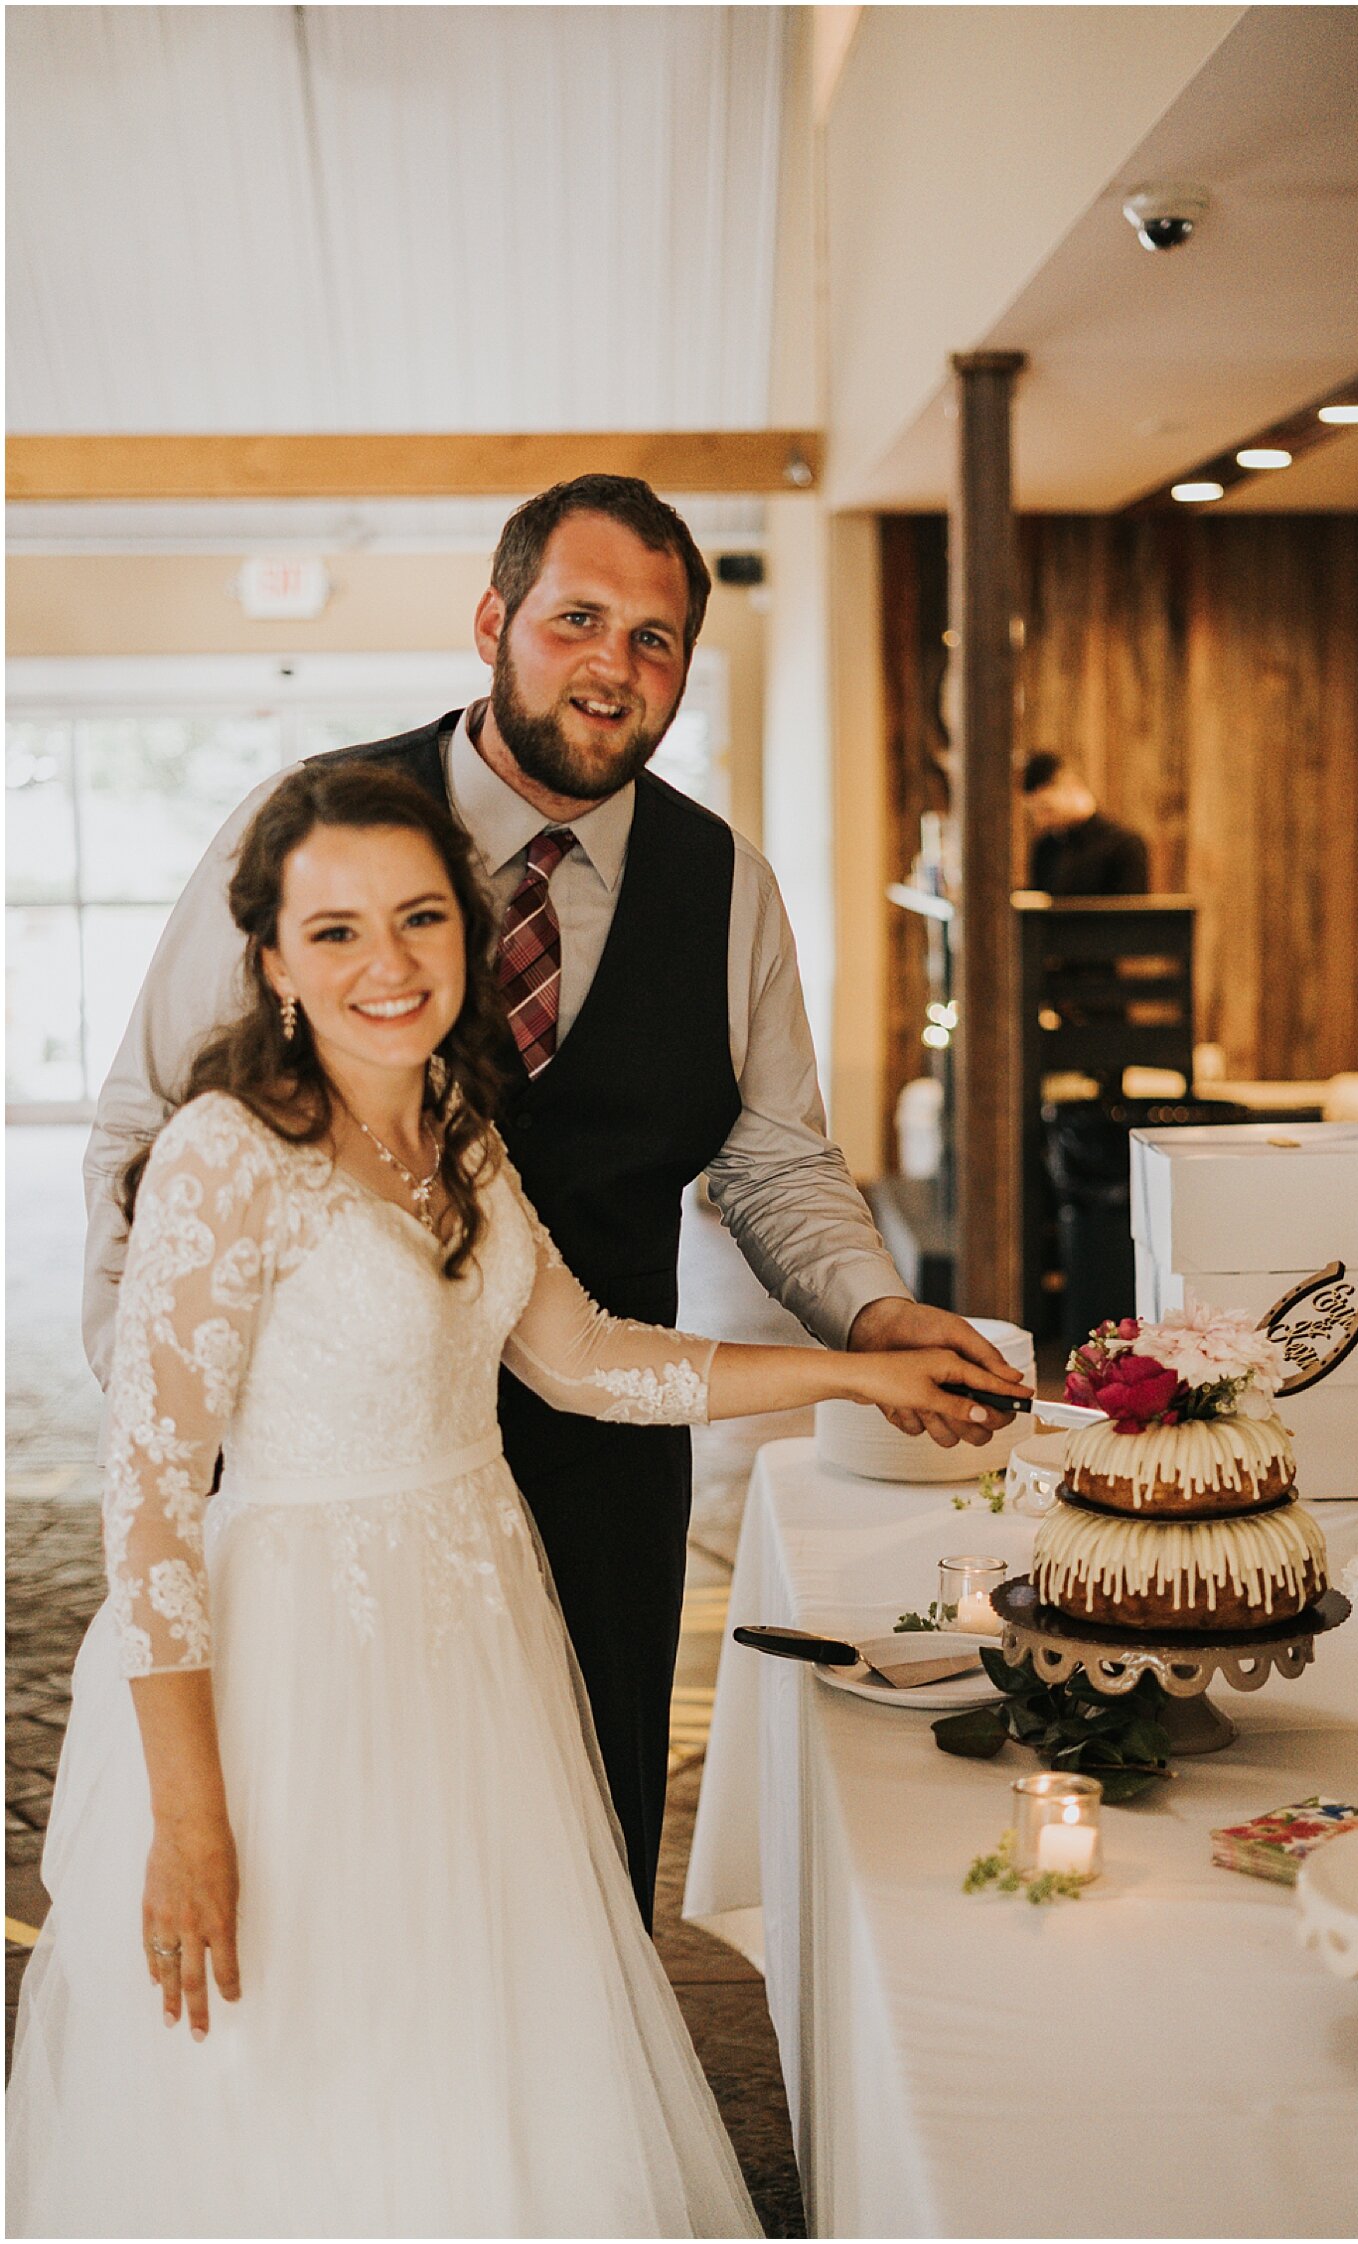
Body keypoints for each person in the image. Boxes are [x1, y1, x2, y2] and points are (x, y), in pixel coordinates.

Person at [9, 766, 1017, 2239]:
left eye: (420, 918)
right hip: (297, 1673)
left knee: (475, 2023)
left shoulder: (459, 1133)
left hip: (473, 1636)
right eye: (337, 931)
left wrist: (853, 1376)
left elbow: (589, 1361)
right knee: (310, 2043)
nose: (389, 963)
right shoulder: (227, 1158)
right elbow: (151, 1511)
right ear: (274, 960)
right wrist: (190, 1818)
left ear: (471, 944)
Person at [83, 473, 1026, 1924]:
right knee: (316, 1881)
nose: (613, 664)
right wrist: (171, 1417)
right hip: (308, 1478)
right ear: (492, 622)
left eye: (655, 640)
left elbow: (772, 1160)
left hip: (603, 1459)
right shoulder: (313, 837)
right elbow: (147, 1128)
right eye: (577, 618)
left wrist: (876, 1314)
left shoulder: (727, 889)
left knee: (571, 1871)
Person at [1021, 751, 1150, 895]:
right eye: (1034, 813)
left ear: (1071, 786)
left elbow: (1131, 915)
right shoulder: (1045, 848)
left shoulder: (1125, 845)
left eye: (1046, 809)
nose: (1040, 821)